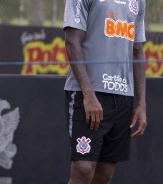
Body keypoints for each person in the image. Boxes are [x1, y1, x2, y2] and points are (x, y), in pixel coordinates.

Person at [63, 0, 147, 183]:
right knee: (83, 169)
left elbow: (137, 50)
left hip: (124, 96)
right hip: (90, 94)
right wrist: (88, 94)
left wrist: (141, 103)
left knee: (104, 173)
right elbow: (71, 41)